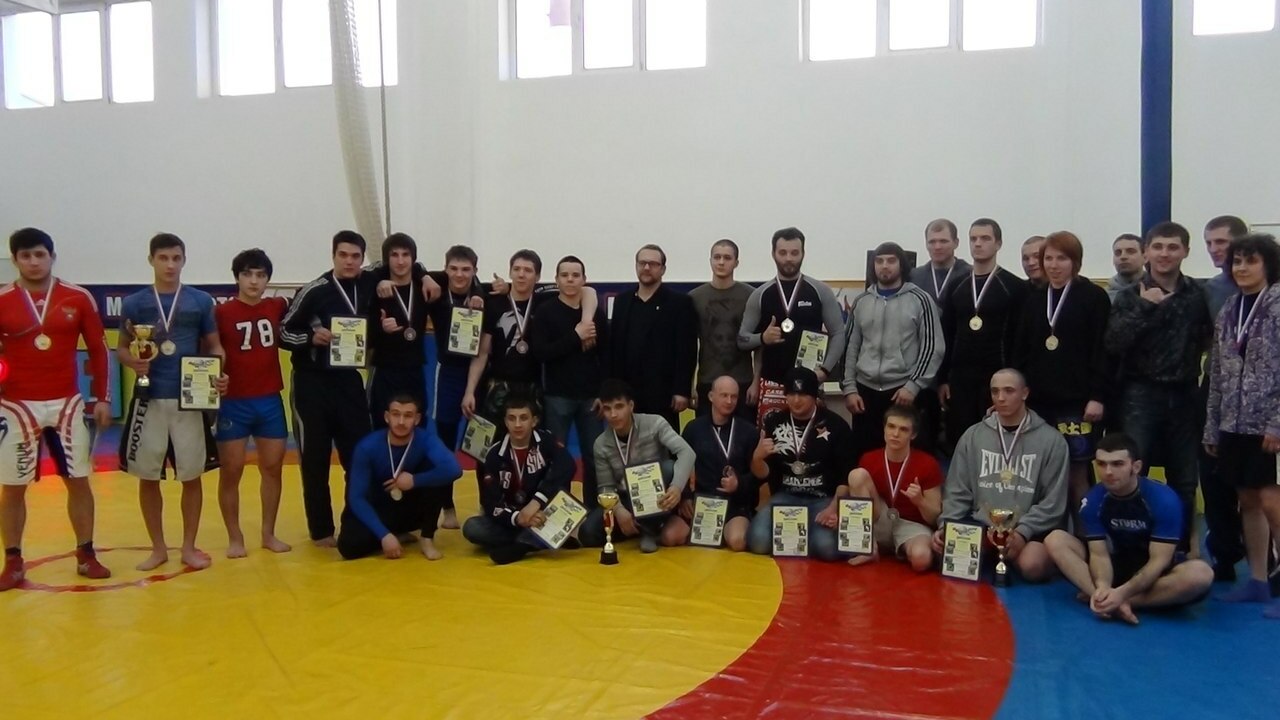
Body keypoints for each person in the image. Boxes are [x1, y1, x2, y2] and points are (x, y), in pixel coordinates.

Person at [281, 231, 434, 547]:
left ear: (363, 259)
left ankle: (357, 524)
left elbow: (402, 262)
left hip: (349, 380)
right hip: (312, 382)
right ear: (333, 255)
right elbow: (284, 331)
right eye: (343, 255)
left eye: (355, 256)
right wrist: (310, 338)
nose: (349, 261)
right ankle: (321, 530)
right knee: (315, 458)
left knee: (360, 457)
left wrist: (425, 274)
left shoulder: (369, 281)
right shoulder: (314, 290)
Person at [0, 228, 113, 590]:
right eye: (26, 256)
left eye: (40, 254)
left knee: (78, 480)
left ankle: (86, 553)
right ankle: (13, 561)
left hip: (66, 404)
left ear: (52, 256)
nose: (34, 262)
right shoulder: (2, 299)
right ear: (15, 260)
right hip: (16, 406)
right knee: (12, 486)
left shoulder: (77, 297)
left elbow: (98, 349)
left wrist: (102, 398)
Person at [117, 233, 226, 571]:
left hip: (189, 400)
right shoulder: (134, 303)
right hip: (149, 398)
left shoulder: (200, 301)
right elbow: (122, 348)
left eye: (176, 258)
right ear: (151, 260)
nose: (170, 265)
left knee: (191, 476)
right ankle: (158, 548)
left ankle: (189, 547)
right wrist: (133, 362)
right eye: (163, 258)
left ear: (184, 260)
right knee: (148, 476)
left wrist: (218, 373)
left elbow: (214, 346)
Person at [1105, 221, 1212, 552]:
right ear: (1147, 252)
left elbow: (1206, 339)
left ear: (1186, 252)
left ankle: (1179, 550)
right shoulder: (1129, 297)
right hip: (1140, 395)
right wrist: (1145, 306)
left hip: (1184, 394)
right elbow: (1114, 343)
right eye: (1158, 247)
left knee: (1185, 479)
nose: (1165, 254)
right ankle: (1131, 550)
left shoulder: (1198, 295)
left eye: (1173, 247)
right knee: (1132, 474)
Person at [1045, 433, 1214, 624]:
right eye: (1101, 464)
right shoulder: (1092, 500)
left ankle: (1122, 602)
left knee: (1201, 574)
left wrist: (1122, 595)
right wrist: (1102, 586)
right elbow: (1099, 555)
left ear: (1136, 467)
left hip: (1155, 574)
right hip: (1115, 566)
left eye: (1117, 464)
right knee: (1055, 539)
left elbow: (1159, 561)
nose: (1108, 472)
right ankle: (1101, 597)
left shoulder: (1164, 500)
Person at [1013, 231, 1111, 533]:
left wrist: (1097, 395)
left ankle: (1087, 538)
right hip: (1039, 402)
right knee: (1040, 473)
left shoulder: (1093, 297)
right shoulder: (1033, 299)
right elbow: (1021, 349)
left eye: (1062, 259)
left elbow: (1102, 349)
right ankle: (1043, 537)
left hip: (1077, 403)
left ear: (1076, 262)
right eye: (1049, 258)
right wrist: (1018, 395)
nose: (1054, 265)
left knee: (1076, 474)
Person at [931, 369, 1068, 582]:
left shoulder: (1052, 441)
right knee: (945, 555)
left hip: (1028, 529)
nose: (1001, 398)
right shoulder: (973, 436)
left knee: (1032, 565)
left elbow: (1053, 502)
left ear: (1025, 393)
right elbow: (958, 490)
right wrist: (947, 526)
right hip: (983, 525)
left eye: (1009, 391)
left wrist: (1023, 532)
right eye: (995, 391)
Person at [1204, 234, 1280, 616]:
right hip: (1234, 423)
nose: (1242, 268)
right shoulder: (1230, 308)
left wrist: (1278, 423)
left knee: (1272, 501)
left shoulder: (1278, 305)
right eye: (1237, 261)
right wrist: (1213, 426)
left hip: (1269, 426)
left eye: (1251, 261)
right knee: (1247, 500)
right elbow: (1217, 371)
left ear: (1268, 265)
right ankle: (1258, 580)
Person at [213, 248, 291, 558]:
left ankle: (268, 533)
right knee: (231, 470)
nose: (254, 281)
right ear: (237, 278)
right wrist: (213, 377)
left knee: (272, 468)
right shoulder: (221, 313)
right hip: (233, 402)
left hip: (269, 400)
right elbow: (207, 351)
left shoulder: (277, 306)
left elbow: (310, 301)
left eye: (260, 275)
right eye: (247, 274)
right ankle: (235, 537)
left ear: (268, 279)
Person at [465, 250, 599, 429]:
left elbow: (588, 290)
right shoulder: (494, 303)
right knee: (487, 443)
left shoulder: (546, 300)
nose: (521, 274)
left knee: (532, 443)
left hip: (533, 388)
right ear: (510, 272)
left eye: (528, 270)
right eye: (516, 269)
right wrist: (470, 391)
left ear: (537, 276)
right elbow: (482, 353)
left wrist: (586, 321)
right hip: (497, 385)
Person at [841, 241, 943, 456]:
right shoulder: (862, 301)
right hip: (865, 394)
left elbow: (933, 347)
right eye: (879, 261)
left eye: (891, 261)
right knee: (866, 458)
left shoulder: (920, 300)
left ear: (902, 265)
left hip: (902, 392)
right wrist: (849, 388)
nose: (884, 266)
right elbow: (850, 347)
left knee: (904, 458)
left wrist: (913, 386)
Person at [747, 367, 857, 562]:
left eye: (803, 394)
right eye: (791, 394)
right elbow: (763, 474)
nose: (796, 400)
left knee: (827, 548)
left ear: (814, 396)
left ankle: (803, 534)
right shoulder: (773, 422)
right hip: (785, 496)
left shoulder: (836, 425)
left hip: (822, 498)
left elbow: (845, 476)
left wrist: (834, 508)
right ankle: (798, 534)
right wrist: (757, 458)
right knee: (758, 541)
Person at [738, 228, 847, 423]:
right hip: (772, 384)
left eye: (794, 253)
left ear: (803, 253)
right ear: (773, 254)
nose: (789, 258)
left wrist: (825, 371)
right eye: (783, 252)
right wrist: (762, 338)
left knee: (809, 439)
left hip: (809, 384)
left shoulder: (820, 291)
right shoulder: (760, 294)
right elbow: (741, 339)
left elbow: (839, 333)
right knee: (772, 439)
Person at [938, 219, 1028, 450]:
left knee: (996, 444)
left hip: (998, 379)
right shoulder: (956, 285)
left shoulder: (1014, 286)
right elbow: (947, 334)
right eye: (973, 239)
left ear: (998, 244)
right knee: (961, 443)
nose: (978, 244)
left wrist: (1014, 383)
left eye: (985, 238)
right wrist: (943, 379)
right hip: (960, 380)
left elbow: (1020, 339)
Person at [337, 395, 462, 560]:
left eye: (408, 415)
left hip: (410, 508)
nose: (401, 422)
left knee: (437, 470)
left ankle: (427, 538)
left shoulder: (425, 439)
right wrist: (384, 535)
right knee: (348, 546)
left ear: (417, 419)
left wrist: (414, 480)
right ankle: (391, 535)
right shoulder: (368, 446)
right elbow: (356, 497)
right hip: (379, 507)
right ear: (387, 417)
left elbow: (454, 469)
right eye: (396, 414)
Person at [526, 255, 607, 505]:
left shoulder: (594, 313)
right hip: (557, 397)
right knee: (557, 458)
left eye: (575, 275)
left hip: (591, 398)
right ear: (556, 280)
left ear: (584, 279)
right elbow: (541, 353)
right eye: (565, 275)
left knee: (594, 457)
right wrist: (575, 335)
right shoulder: (545, 312)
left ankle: (594, 511)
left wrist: (603, 392)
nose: (570, 280)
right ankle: (559, 512)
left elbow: (606, 354)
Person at [579, 379, 695, 552]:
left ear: (631, 406)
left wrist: (677, 487)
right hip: (625, 498)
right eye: (608, 409)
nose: (613, 414)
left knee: (669, 468)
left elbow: (687, 452)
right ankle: (638, 527)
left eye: (619, 407)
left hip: (654, 493)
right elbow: (606, 488)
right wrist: (619, 511)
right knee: (587, 533)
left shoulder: (655, 423)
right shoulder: (601, 444)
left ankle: (649, 528)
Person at [462, 395, 576, 564]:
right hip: (514, 519)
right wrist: (517, 518)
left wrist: (537, 501)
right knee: (472, 528)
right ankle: (539, 539)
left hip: (544, 513)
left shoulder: (546, 442)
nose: (517, 424)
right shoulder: (494, 454)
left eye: (523, 418)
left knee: (569, 509)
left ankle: (522, 546)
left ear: (534, 421)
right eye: (512, 418)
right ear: (505, 422)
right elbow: (490, 502)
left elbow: (567, 466)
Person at [1198, 215, 1250, 582]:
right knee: (1212, 474)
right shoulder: (1211, 289)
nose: (1215, 249)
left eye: (1222, 242)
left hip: (1260, 396)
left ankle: (1267, 559)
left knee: (1256, 487)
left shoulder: (1272, 290)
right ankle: (1225, 554)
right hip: (1217, 389)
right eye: (1210, 243)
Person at [423, 245, 489, 530]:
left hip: (480, 375)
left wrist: (481, 291)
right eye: (454, 269)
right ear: (445, 269)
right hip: (448, 374)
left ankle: (487, 504)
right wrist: (427, 276)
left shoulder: (483, 296)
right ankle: (447, 507)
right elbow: (416, 272)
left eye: (466, 269)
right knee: (445, 444)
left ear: (475, 271)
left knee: (482, 445)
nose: (459, 275)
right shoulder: (436, 292)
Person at [606, 244, 698, 430]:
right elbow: (614, 348)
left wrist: (681, 391)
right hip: (627, 393)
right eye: (642, 263)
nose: (647, 267)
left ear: (663, 269)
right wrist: (612, 390)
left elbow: (686, 350)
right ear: (636, 266)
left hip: (664, 394)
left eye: (653, 264)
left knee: (664, 444)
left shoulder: (680, 303)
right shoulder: (622, 301)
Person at [846, 404, 944, 572]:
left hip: (911, 525)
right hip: (880, 518)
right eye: (891, 426)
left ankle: (902, 548)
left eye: (903, 429)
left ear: (913, 435)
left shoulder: (928, 464)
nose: (895, 434)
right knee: (857, 475)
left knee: (921, 559)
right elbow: (856, 500)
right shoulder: (869, 459)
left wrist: (920, 501)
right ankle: (867, 546)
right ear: (884, 428)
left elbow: (934, 517)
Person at [681, 376, 761, 551]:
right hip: (702, 503)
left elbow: (757, 477)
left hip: (734, 504)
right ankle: (710, 532)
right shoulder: (693, 429)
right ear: (711, 396)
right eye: (724, 395)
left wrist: (739, 484)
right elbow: (680, 465)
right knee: (671, 536)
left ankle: (717, 532)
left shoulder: (749, 432)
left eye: (734, 396)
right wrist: (685, 496)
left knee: (737, 541)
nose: (729, 401)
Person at [689, 239, 757, 419]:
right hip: (707, 382)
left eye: (727, 258)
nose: (721, 262)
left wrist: (756, 382)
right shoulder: (694, 298)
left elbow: (760, 345)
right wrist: (690, 385)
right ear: (710, 260)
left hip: (743, 382)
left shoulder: (751, 296)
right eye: (717, 257)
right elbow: (688, 347)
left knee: (744, 434)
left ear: (736, 262)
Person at [908, 218, 971, 308]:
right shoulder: (913, 277)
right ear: (926, 244)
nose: (937, 247)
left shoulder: (969, 275)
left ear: (956, 243)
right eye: (932, 242)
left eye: (943, 241)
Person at [1108, 233, 1145, 302]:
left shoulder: (1158, 293)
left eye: (1130, 251)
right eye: (1118, 253)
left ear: (1145, 257)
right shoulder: (1102, 297)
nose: (1123, 256)